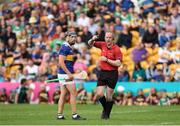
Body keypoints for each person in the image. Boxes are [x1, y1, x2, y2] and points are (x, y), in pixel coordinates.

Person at [88, 31, 122, 119]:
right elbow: (89, 44)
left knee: (109, 95)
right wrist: (92, 39)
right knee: (99, 93)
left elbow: (118, 64)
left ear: (113, 39)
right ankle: (106, 109)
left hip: (112, 73)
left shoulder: (117, 49)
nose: (108, 39)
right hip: (103, 72)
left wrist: (107, 60)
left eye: (110, 37)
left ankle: (106, 114)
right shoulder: (102, 44)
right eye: (106, 37)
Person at [57, 31, 86, 120]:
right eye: (72, 37)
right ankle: (74, 115)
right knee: (74, 93)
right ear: (67, 37)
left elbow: (67, 62)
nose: (74, 39)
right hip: (65, 74)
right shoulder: (64, 48)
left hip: (64, 74)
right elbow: (61, 62)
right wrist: (69, 73)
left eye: (75, 37)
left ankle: (59, 115)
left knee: (63, 94)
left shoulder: (69, 48)